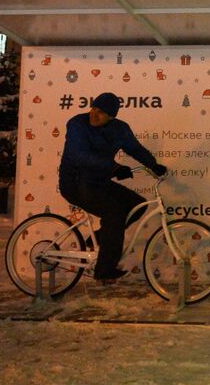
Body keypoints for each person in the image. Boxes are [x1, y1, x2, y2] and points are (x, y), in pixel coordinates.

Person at [58, 92, 167, 283]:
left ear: (112, 116)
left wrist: (153, 164)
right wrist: (114, 167)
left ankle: (100, 238)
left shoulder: (120, 129)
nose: (94, 114)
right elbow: (80, 155)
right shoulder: (77, 125)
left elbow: (135, 149)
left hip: (98, 182)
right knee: (114, 214)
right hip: (75, 183)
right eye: (93, 109)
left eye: (101, 112)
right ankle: (104, 270)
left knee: (137, 205)